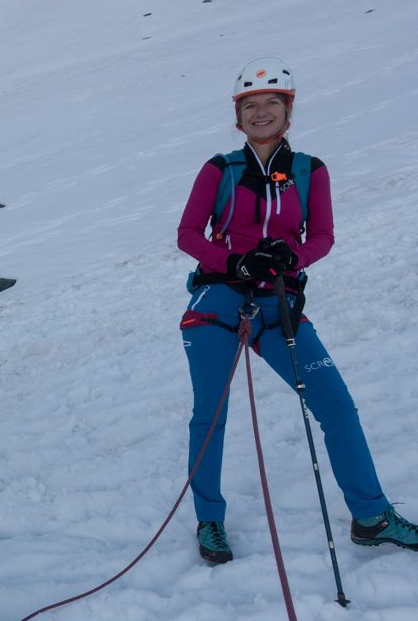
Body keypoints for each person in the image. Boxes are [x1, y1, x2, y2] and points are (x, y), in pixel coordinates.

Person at [177, 57, 418, 564]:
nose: (261, 112)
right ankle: (209, 521)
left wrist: (295, 256)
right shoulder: (219, 169)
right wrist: (235, 262)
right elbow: (187, 235)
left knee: (335, 405)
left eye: (272, 103)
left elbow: (323, 236)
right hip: (218, 301)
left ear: (289, 112)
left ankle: (371, 517)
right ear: (237, 116)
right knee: (211, 414)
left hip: (279, 303)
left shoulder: (310, 171)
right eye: (250, 105)